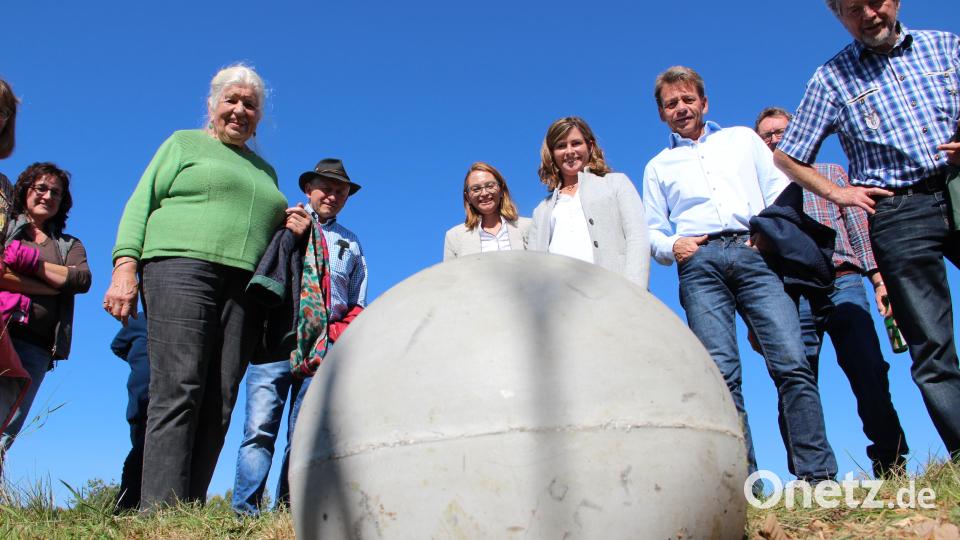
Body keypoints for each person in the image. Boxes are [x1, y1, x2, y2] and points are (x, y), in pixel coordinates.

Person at [103, 63, 312, 509]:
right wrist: (125, 266)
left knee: (221, 397)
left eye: (250, 105)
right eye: (231, 100)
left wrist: (288, 225)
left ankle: (189, 508)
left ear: (259, 116)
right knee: (179, 386)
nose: (239, 110)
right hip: (180, 267)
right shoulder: (184, 143)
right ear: (212, 104)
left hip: (245, 286)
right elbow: (142, 203)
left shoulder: (266, 171)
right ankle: (158, 510)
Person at [773, 0, 960, 460]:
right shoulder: (832, 78)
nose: (869, 14)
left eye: (875, 1)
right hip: (899, 213)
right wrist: (840, 193)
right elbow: (788, 156)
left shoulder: (946, 46)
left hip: (958, 184)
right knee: (930, 346)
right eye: (853, 9)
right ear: (838, 15)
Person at [642, 66, 836, 482]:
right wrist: (673, 246)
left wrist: (768, 234)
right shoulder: (658, 165)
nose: (681, 108)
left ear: (704, 103)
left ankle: (818, 478)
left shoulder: (743, 140)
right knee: (722, 377)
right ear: (662, 113)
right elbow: (653, 229)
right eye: (671, 103)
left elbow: (781, 191)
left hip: (755, 255)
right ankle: (744, 489)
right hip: (701, 263)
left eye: (687, 99)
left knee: (791, 362)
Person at [757, 106, 908, 477]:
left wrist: (878, 279)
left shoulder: (832, 174)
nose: (775, 140)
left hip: (843, 281)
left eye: (781, 132)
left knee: (868, 368)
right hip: (790, 290)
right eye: (767, 136)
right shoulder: (759, 187)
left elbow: (857, 227)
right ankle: (813, 476)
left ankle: (891, 462)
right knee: (795, 378)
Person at [232, 158, 367, 515]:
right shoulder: (281, 220)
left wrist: (336, 334)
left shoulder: (351, 244)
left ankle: (287, 512)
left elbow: (357, 302)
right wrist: (291, 235)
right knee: (259, 430)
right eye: (326, 187)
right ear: (309, 189)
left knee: (303, 436)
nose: (333, 195)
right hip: (274, 341)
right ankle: (244, 512)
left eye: (341, 190)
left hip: (323, 348)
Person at [0, 163, 92, 469]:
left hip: (37, 346)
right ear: (25, 190)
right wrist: (51, 286)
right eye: (41, 188)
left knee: (8, 425)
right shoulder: (6, 227)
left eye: (56, 192)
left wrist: (31, 263)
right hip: (3, 332)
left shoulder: (68, 245)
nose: (48, 196)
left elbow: (81, 280)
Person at [528, 116, 650, 287]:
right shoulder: (541, 210)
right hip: (561, 298)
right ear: (552, 154)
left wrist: (635, 290)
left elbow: (638, 237)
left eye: (576, 143)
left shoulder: (616, 183)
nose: (569, 151)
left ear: (590, 146)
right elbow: (534, 263)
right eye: (561, 146)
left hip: (612, 291)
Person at [443, 162, 530, 260]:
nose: (484, 193)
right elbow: (450, 274)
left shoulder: (529, 227)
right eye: (476, 189)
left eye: (490, 186)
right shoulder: (454, 237)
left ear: (501, 190)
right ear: (467, 197)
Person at [110, 313, 149, 511]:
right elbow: (117, 346)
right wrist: (137, 358)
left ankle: (132, 506)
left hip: (161, 404)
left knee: (142, 455)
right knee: (139, 454)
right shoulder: (138, 321)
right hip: (140, 405)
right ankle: (127, 507)